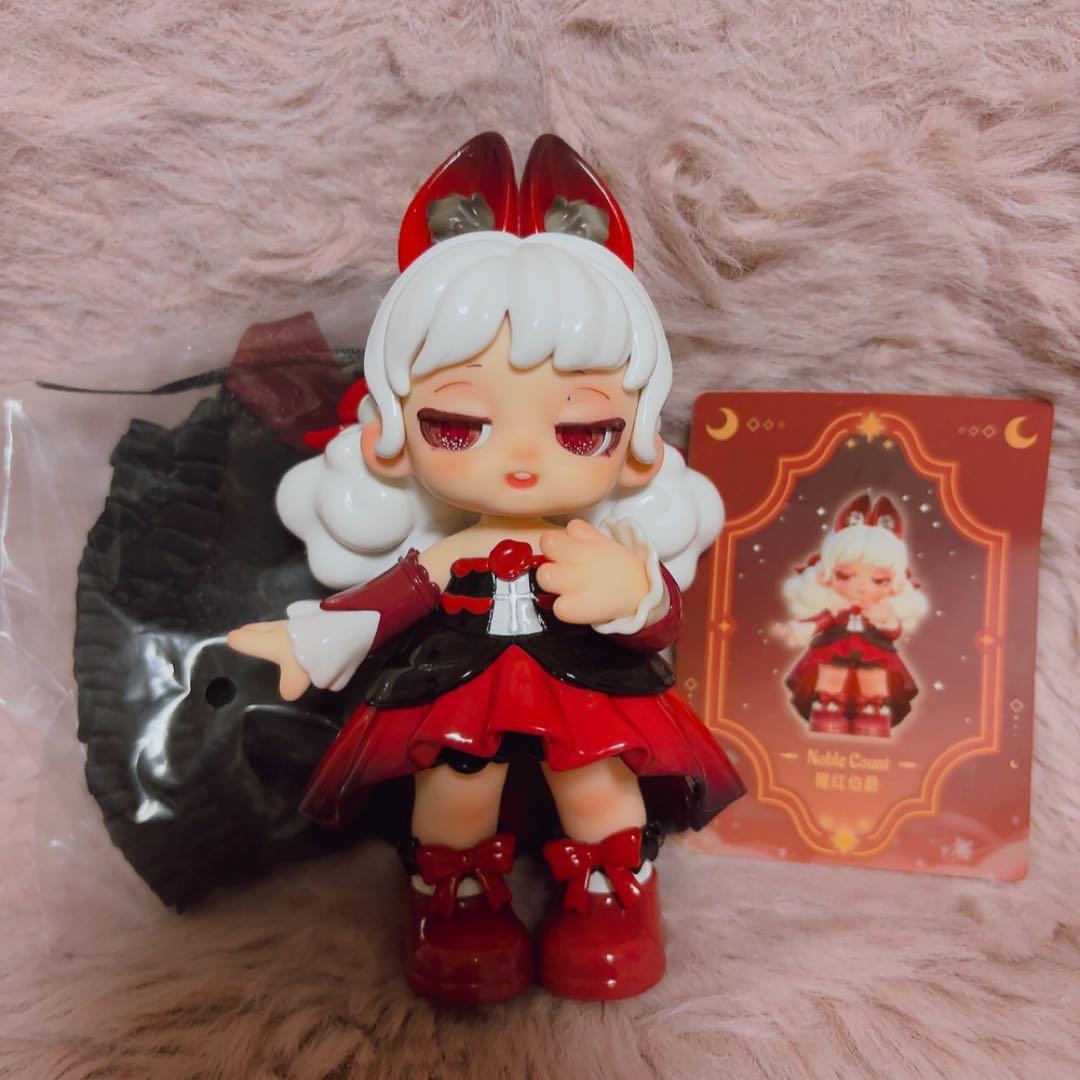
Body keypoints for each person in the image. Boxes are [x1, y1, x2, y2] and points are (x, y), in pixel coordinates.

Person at [229, 133, 743, 1004]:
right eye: (460, 426)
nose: (522, 461)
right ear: (396, 433)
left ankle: (613, 891)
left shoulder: (598, 536)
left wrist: (632, 594)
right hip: (460, 677)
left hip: (582, 678)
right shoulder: (448, 546)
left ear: (635, 440)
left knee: (598, 778)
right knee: (455, 782)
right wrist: (308, 640)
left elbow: (661, 618)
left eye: (579, 431)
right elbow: (397, 595)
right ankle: (454, 894)